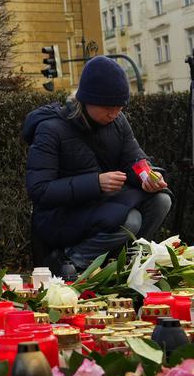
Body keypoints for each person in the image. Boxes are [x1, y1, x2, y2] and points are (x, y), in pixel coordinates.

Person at [23, 56, 172, 271]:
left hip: (100, 205)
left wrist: (146, 175)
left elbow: (134, 158)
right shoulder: (50, 129)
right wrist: (96, 183)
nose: (114, 113)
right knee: (130, 221)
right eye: (108, 107)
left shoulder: (118, 121)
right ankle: (69, 261)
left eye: (120, 107)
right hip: (60, 215)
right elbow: (39, 190)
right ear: (86, 99)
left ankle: (127, 265)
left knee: (161, 201)